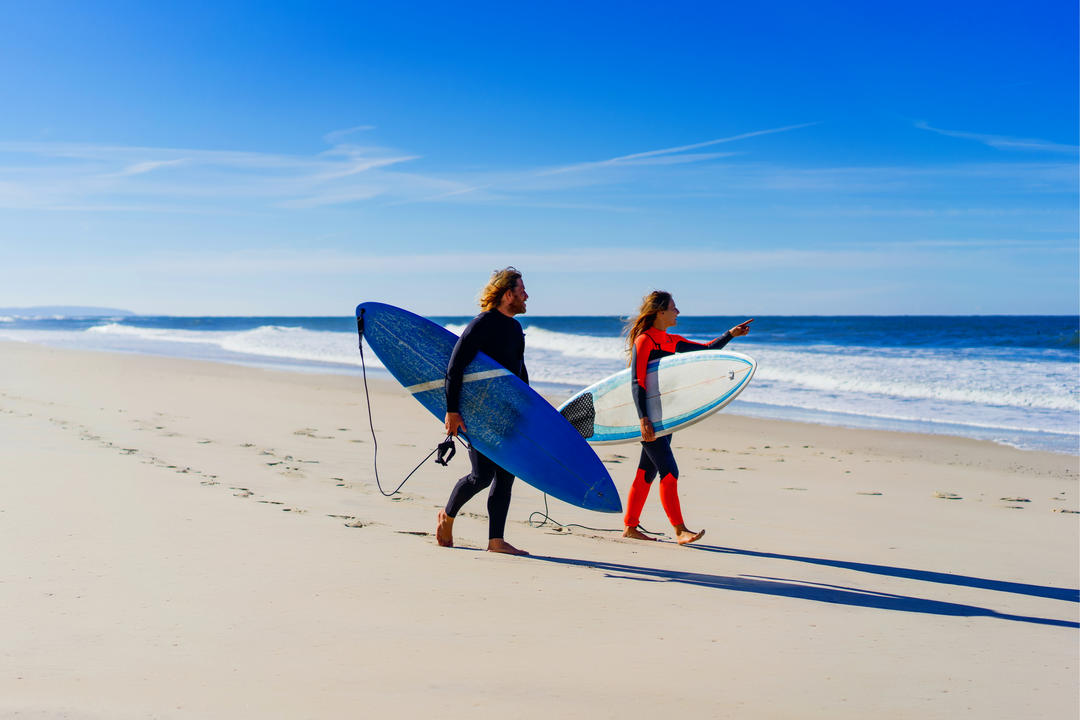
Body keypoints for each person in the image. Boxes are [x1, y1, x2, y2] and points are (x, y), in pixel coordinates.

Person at [623, 290, 752, 545]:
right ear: (660, 312)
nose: (677, 312)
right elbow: (637, 381)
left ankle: (630, 526)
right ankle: (680, 529)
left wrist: (730, 335)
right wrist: (643, 419)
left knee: (646, 471)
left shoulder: (670, 340)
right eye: (674, 307)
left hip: (666, 417)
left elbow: (706, 351)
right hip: (649, 417)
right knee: (669, 471)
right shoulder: (645, 340)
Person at [436, 267, 530, 556]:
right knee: (482, 475)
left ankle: (496, 541)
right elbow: (456, 366)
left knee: (506, 475)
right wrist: (452, 411)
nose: (527, 295)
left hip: (507, 412)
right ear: (508, 294)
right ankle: (447, 517)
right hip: (479, 412)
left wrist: (530, 407)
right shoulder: (483, 323)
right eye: (522, 290)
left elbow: (518, 371)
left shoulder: (514, 328)